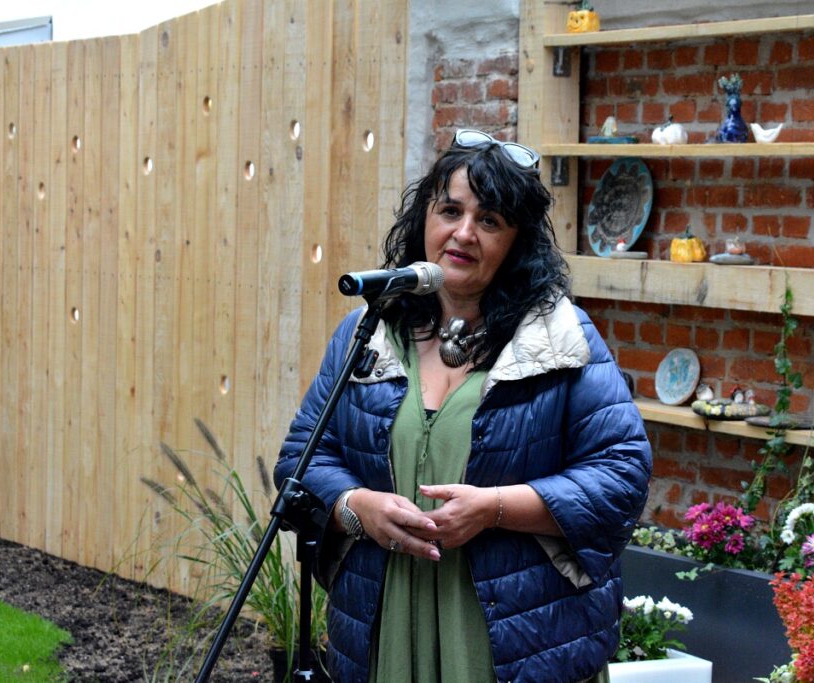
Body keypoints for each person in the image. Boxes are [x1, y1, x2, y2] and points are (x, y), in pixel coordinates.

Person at [275, 128, 652, 683]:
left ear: (517, 243)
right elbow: (302, 461)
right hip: (387, 625)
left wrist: (495, 507)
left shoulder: (559, 337)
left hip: (516, 637)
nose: (464, 233)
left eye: (490, 221)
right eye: (450, 211)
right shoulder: (369, 333)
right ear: (423, 219)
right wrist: (357, 507)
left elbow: (622, 474)